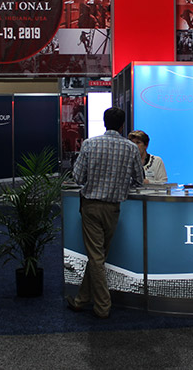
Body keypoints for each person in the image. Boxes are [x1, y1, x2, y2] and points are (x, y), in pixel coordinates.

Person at [66, 107, 143, 319]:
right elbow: (139, 178)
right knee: (98, 256)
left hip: (91, 206)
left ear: (103, 122)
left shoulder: (90, 144)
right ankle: (82, 300)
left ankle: (101, 306)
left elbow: (78, 178)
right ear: (122, 125)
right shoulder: (130, 148)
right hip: (113, 209)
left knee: (96, 257)